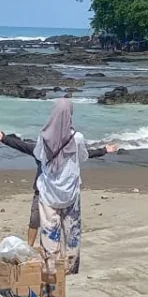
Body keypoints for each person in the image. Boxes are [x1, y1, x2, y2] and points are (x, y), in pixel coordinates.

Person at [0, 127, 116, 246]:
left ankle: (56, 248)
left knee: (58, 223)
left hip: (59, 192)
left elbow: (86, 154)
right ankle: (30, 247)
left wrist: (104, 150)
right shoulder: (41, 150)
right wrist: (3, 138)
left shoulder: (66, 151)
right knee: (34, 221)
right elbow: (22, 146)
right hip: (41, 191)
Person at [34, 99, 92, 274]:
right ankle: (70, 268)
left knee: (49, 231)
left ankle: (52, 269)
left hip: (49, 191)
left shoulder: (43, 137)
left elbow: (38, 155)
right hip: (70, 191)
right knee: (72, 231)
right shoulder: (78, 138)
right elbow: (83, 157)